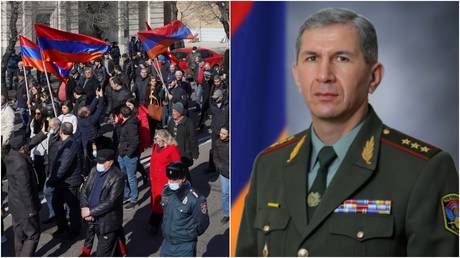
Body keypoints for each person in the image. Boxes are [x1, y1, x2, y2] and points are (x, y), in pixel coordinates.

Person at [235, 8, 459, 257]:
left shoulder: (424, 171)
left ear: (374, 77)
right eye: (311, 58)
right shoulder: (269, 164)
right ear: (296, 75)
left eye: (341, 58)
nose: (323, 75)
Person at [4, 129, 47, 257]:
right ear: (22, 148)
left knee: (19, 234)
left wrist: (43, 133)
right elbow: (25, 190)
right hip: (25, 207)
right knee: (33, 235)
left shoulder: (9, 155)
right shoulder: (21, 164)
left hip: (14, 204)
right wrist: (31, 210)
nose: (27, 146)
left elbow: (29, 144)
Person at [80, 148, 127, 256]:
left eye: (102, 162)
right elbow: (84, 190)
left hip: (107, 222)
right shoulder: (93, 171)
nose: (99, 165)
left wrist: (91, 212)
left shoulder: (117, 177)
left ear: (110, 162)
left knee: (102, 253)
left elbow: (111, 202)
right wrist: (84, 206)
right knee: (112, 249)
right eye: (98, 162)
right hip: (92, 219)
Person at [160, 162, 210, 257]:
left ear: (183, 178)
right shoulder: (166, 191)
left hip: (184, 246)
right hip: (167, 243)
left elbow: (203, 222)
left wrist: (190, 234)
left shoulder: (195, 198)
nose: (171, 182)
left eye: (175, 180)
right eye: (170, 179)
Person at [47, 122, 83, 240]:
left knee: (73, 208)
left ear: (61, 131)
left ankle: (75, 230)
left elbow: (64, 165)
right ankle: (63, 227)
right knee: (56, 203)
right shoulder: (65, 142)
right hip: (62, 181)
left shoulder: (71, 144)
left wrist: (53, 179)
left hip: (70, 182)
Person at [148, 129, 181, 233]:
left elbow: (177, 166)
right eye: (155, 139)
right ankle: (157, 222)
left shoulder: (172, 149)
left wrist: (174, 181)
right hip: (154, 181)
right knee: (156, 202)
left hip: (165, 182)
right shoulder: (155, 147)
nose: (156, 141)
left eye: (158, 139)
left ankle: (155, 224)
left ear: (165, 139)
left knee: (162, 204)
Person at [115, 106, 140, 209]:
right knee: (123, 176)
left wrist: (128, 154)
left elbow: (135, 142)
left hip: (128, 156)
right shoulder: (125, 123)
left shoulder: (131, 125)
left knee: (131, 178)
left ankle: (133, 199)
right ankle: (126, 194)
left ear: (121, 115)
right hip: (122, 154)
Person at [167, 103, 199, 175]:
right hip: (173, 152)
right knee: (176, 173)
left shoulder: (188, 122)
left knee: (184, 173)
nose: (173, 113)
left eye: (175, 111)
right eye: (172, 111)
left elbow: (193, 139)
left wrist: (195, 153)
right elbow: (168, 136)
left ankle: (188, 185)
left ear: (180, 112)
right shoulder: (171, 122)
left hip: (184, 153)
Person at [213, 127, 229, 224]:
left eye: (224, 134)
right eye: (220, 133)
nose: (221, 135)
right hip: (224, 173)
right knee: (224, 194)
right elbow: (215, 157)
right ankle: (227, 214)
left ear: (229, 134)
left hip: (233, 172)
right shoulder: (218, 143)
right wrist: (219, 167)